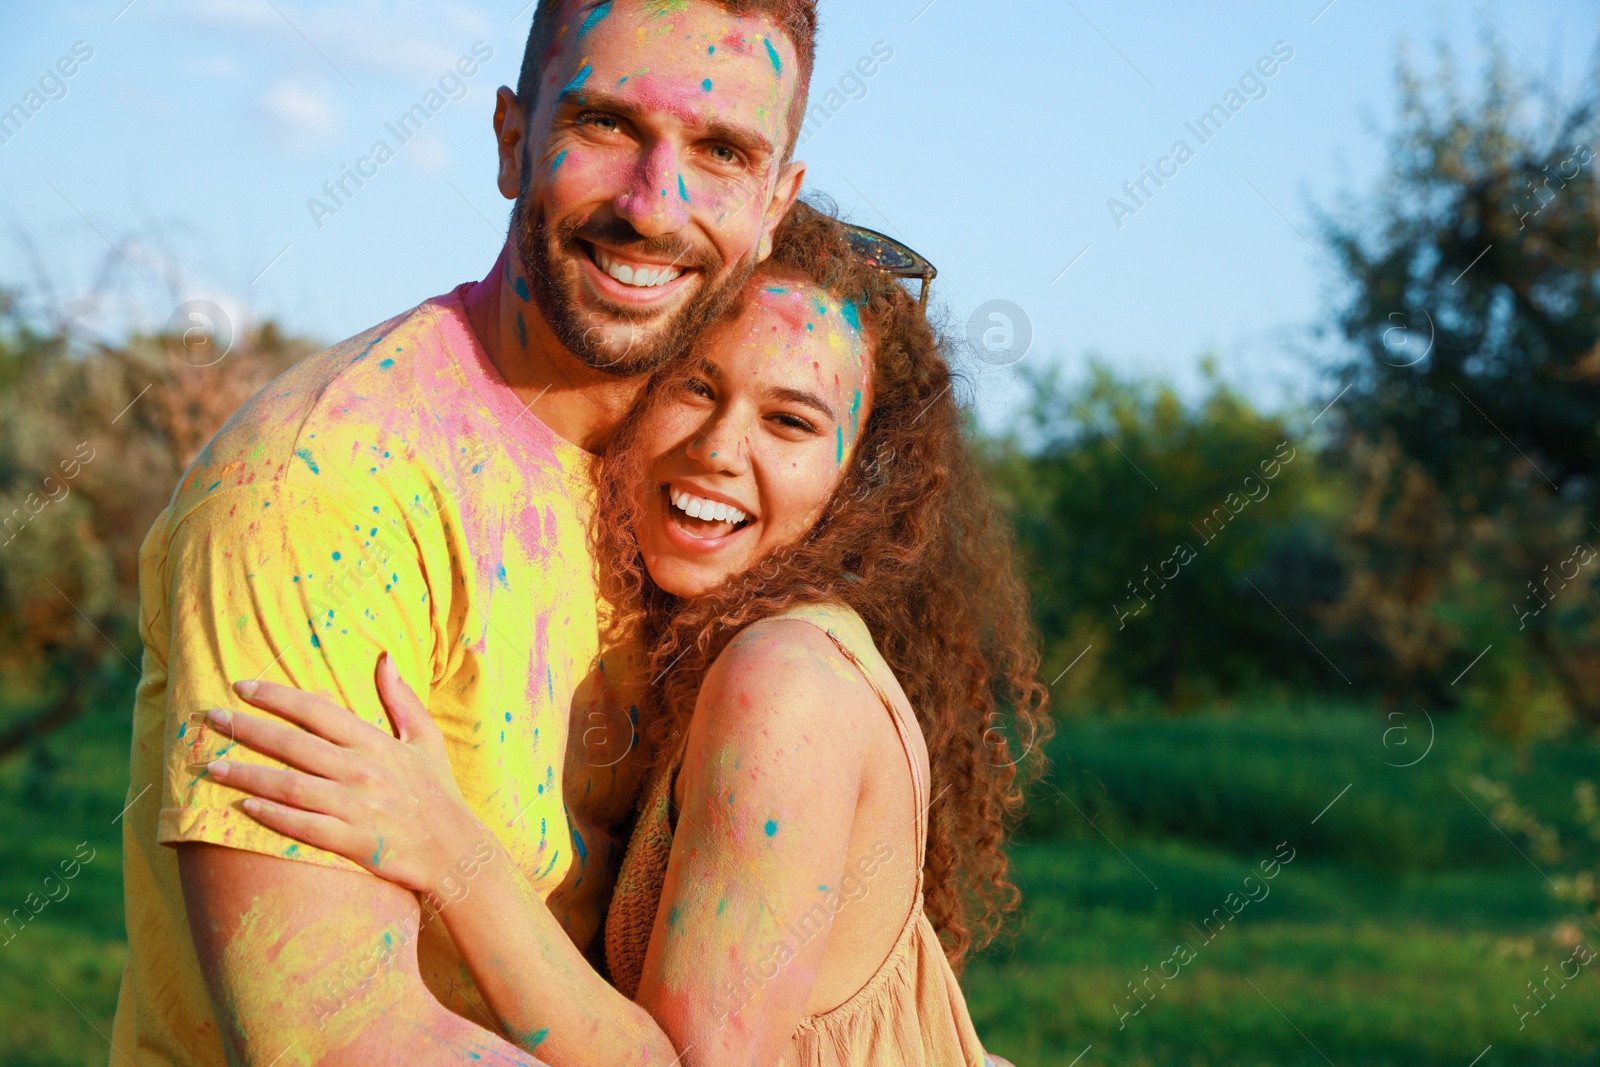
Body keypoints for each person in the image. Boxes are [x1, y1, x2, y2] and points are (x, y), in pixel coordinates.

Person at [111, 1, 818, 1062]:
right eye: (606, 125)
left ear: (775, 204)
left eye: (721, 151)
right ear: (508, 141)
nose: (653, 203)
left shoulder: (727, 497)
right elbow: (332, 1032)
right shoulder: (324, 484)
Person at [202, 202, 1049, 1065]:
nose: (721, 447)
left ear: (860, 481)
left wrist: (446, 841)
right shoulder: (725, 647)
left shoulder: (784, 683)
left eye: (789, 422)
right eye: (696, 386)